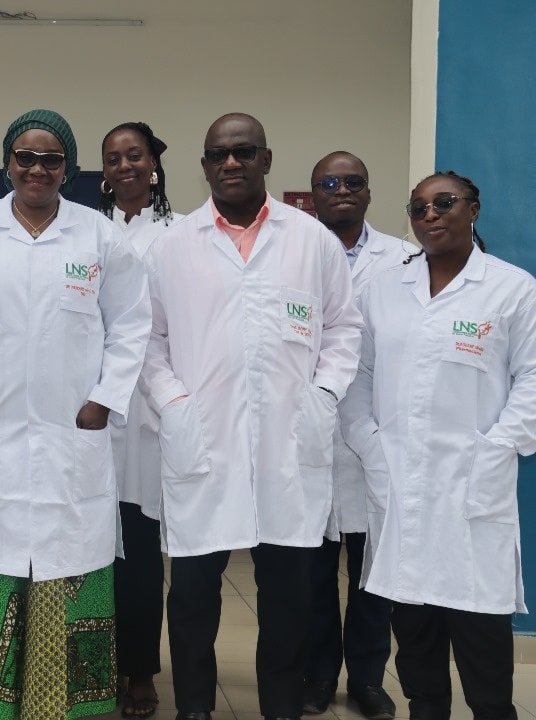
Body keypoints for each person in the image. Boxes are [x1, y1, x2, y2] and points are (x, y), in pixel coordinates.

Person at [0, 109, 151, 720]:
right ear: (8, 164)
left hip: (73, 440)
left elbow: (132, 326)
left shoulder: (99, 238)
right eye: (25, 157)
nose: (37, 169)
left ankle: (67, 709)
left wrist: (105, 400)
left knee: (72, 572)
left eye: (51, 159)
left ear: (68, 169)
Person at [140, 113, 362, 720]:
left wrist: (323, 394)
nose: (231, 163)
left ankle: (281, 708)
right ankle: (194, 708)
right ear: (204, 166)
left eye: (243, 152)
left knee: (288, 598)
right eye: (218, 154)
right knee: (192, 597)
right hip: (202, 440)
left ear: (266, 159)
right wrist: (174, 402)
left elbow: (344, 327)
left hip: (289, 443)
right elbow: (148, 340)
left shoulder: (311, 240)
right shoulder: (172, 245)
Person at [340, 171, 536, 720]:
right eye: (418, 207)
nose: (430, 215)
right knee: (416, 641)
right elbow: (357, 378)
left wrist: (499, 446)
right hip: (400, 483)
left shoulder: (512, 289)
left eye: (444, 203)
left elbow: (532, 379)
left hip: (472, 485)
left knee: (482, 642)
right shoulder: (384, 290)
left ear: (473, 209)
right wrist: (370, 444)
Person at [302, 151, 415, 720]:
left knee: (374, 572)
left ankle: (367, 679)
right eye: (329, 182)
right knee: (315, 573)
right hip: (311, 434)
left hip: (377, 435)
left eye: (353, 182)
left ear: (369, 192)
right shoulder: (295, 251)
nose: (341, 190)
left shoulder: (403, 258)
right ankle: (320, 675)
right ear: (313, 194)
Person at [98, 121, 180, 720]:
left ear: (154, 163)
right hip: (89, 410)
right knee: (89, 546)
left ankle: (142, 670)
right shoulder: (84, 228)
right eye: (113, 158)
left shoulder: (181, 233)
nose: (125, 165)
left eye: (135, 155)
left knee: (142, 550)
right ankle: (93, 662)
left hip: (149, 414)